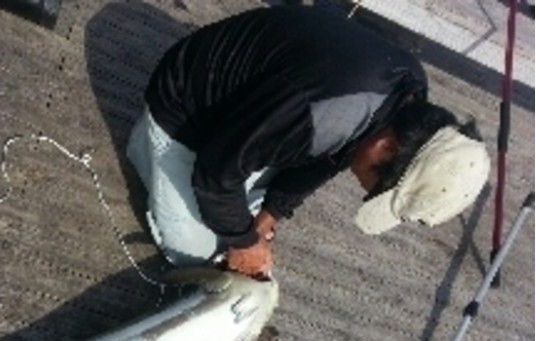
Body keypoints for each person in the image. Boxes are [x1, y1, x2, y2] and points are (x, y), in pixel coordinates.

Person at [126, 6, 490, 278]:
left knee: (241, 219)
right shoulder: (323, 114)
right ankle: (148, 147)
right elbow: (216, 174)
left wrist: (274, 210)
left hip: (262, 111)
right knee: (195, 251)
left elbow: (332, 157)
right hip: (186, 109)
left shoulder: (410, 94)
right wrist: (245, 243)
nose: (366, 191)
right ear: (385, 148)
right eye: (377, 190)